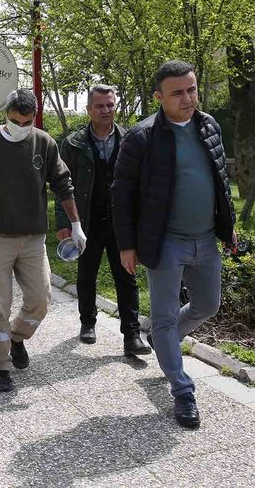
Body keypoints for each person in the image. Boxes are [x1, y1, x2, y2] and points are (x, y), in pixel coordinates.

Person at [111, 60, 236, 429]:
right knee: (165, 316)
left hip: (204, 239)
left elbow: (221, 178)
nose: (188, 98)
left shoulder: (209, 125)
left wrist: (228, 226)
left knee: (207, 304)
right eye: (178, 92)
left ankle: (161, 338)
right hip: (165, 241)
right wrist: (127, 244)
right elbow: (121, 194)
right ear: (159, 97)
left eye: (192, 89)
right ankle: (182, 391)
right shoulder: (142, 137)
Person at [0, 89, 86, 393]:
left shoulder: (44, 142)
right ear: (6, 115)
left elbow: (63, 184)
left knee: (41, 300)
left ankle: (15, 338)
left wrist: (76, 225)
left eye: (26, 121)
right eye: (15, 120)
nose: (20, 126)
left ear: (34, 118)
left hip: (32, 238)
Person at [55, 84, 150, 356]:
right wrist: (65, 223)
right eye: (100, 106)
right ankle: (88, 322)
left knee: (127, 276)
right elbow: (61, 185)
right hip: (86, 222)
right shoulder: (73, 144)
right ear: (89, 110)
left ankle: (132, 336)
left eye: (110, 105)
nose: (106, 110)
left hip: (122, 223)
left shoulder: (131, 140)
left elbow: (141, 183)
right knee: (87, 275)